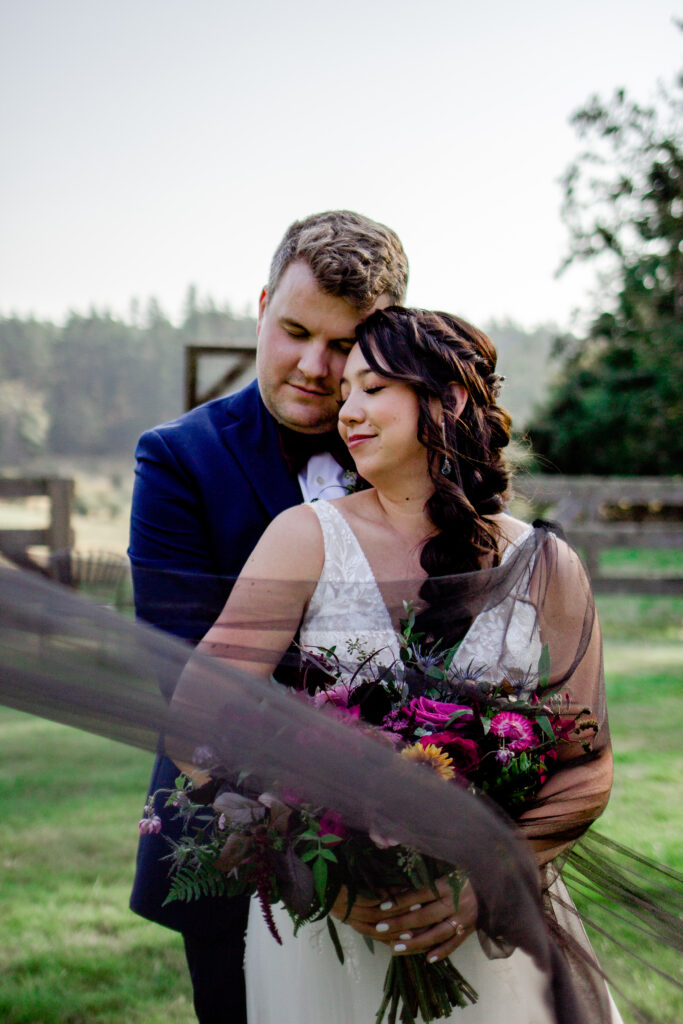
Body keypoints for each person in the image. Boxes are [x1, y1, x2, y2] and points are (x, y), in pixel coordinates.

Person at [181, 307, 622, 1022]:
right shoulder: (302, 540)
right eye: (344, 392)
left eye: (372, 388)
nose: (346, 411)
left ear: (445, 400)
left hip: (495, 928)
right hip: (332, 933)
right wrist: (323, 877)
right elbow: (193, 717)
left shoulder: (545, 564)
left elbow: (589, 762)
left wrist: (485, 883)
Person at [128, 210, 409, 1023]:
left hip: (405, 846)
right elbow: (184, 681)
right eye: (294, 331)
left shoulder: (409, 456)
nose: (315, 367)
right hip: (231, 845)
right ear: (261, 306)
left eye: (344, 346)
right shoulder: (179, 458)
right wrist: (316, 851)